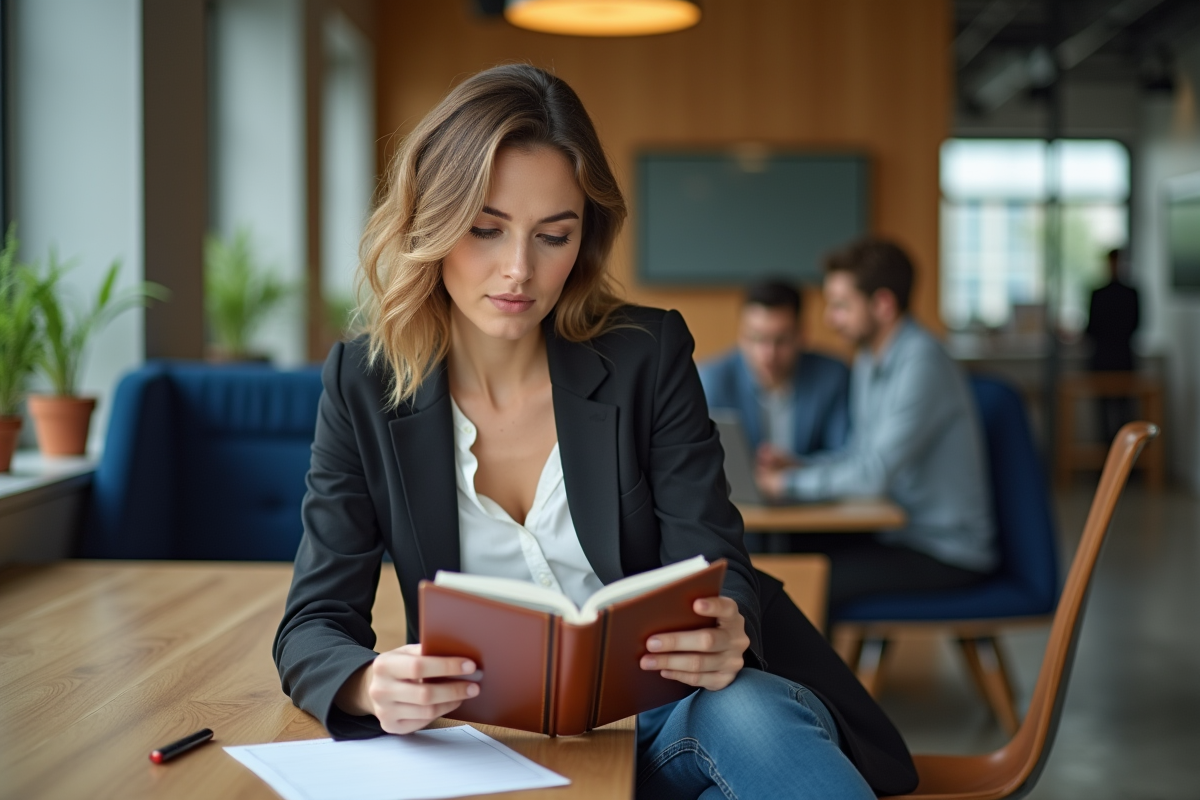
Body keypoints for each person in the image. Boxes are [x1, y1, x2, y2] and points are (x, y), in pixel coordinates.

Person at [272, 65, 916, 799]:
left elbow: (714, 557)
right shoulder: (364, 382)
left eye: (554, 235)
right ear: (431, 220)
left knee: (750, 711)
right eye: (486, 229)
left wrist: (725, 625)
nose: (520, 270)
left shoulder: (647, 354)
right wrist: (366, 682)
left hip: (670, 720)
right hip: (491, 749)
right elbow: (314, 621)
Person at [756, 238, 997, 614]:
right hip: (898, 534)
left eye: (841, 305)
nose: (830, 319)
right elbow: (860, 455)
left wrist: (786, 485)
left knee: (807, 580)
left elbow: (873, 476)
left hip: (943, 550)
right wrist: (801, 465)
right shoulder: (869, 358)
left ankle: (807, 658)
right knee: (781, 554)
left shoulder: (923, 363)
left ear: (883, 304)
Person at [699, 280, 850, 466]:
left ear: (802, 335)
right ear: (741, 335)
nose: (768, 354)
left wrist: (796, 469)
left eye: (781, 340)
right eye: (756, 338)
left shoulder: (833, 376)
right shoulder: (712, 380)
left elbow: (844, 456)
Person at [1086, 248, 1140, 443]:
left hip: (1119, 359)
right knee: (1104, 414)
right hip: (1107, 359)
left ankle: (1124, 454)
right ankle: (1108, 453)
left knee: (1124, 412)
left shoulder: (1130, 293)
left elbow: (1136, 325)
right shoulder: (1099, 293)